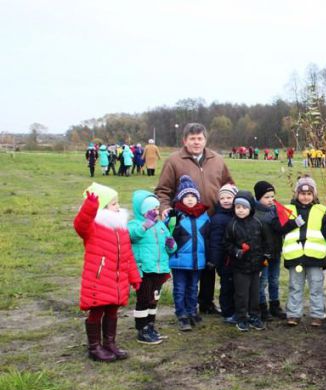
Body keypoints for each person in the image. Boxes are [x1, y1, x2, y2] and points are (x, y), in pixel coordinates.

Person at [155, 122, 235, 316]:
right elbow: (163, 190)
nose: (196, 142)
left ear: (205, 140)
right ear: (185, 140)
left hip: (213, 220)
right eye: (192, 139)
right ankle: (185, 307)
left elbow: (229, 185)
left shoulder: (217, 159)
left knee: (209, 261)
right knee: (188, 264)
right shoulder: (174, 161)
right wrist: (165, 208)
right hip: (185, 223)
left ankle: (206, 302)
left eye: (200, 138)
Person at [74, 182, 141, 362]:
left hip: (117, 280)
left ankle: (109, 343)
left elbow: (127, 255)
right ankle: (94, 347)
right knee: (96, 312)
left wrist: (134, 277)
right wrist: (89, 207)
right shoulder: (93, 227)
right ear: (102, 207)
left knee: (112, 311)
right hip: (99, 279)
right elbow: (81, 224)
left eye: (117, 202)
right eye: (113, 203)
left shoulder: (121, 229)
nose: (118, 206)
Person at [282, 176, 326, 326]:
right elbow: (280, 228)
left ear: (314, 195)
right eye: (302, 193)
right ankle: (293, 314)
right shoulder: (289, 209)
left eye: (309, 194)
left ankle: (317, 314)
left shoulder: (322, 210)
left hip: (315, 256)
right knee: (295, 286)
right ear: (296, 194)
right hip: (295, 256)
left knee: (316, 286)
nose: (305, 197)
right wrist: (293, 223)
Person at [128, 190, 177, 344]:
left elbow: (170, 246)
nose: (156, 212)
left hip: (159, 269)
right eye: (152, 209)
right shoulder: (134, 224)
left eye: (157, 209)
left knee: (154, 299)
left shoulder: (161, 225)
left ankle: (150, 326)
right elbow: (133, 235)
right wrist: (145, 225)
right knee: (143, 299)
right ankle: (141, 330)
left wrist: (171, 245)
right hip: (144, 270)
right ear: (142, 210)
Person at [222, 190, 273, 332]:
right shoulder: (231, 225)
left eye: (244, 207)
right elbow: (226, 244)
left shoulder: (258, 223)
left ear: (250, 208)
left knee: (255, 294)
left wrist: (266, 256)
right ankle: (241, 318)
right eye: (238, 207)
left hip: (256, 266)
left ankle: (255, 316)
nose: (241, 210)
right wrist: (236, 252)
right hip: (239, 267)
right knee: (241, 294)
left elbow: (266, 241)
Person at [168, 175, 210, 332]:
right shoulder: (175, 216)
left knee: (193, 287)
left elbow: (208, 237)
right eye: (186, 196)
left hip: (197, 259)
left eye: (193, 196)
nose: (190, 199)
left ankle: (192, 311)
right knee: (180, 288)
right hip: (179, 260)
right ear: (180, 198)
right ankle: (182, 314)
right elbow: (168, 236)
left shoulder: (204, 216)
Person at [253, 181, 290, 320]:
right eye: (266, 197)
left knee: (274, 280)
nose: (270, 200)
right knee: (262, 281)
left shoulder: (277, 210)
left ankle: (275, 305)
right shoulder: (255, 214)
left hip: (276, 252)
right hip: (263, 256)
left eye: (272, 197)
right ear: (258, 198)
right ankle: (262, 307)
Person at [207, 184, 238, 324]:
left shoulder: (239, 214)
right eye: (222, 198)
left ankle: (237, 310)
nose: (226, 200)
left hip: (238, 258)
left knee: (237, 286)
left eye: (229, 197)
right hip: (225, 260)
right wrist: (214, 260)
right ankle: (227, 312)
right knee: (227, 286)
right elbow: (215, 242)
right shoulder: (218, 218)